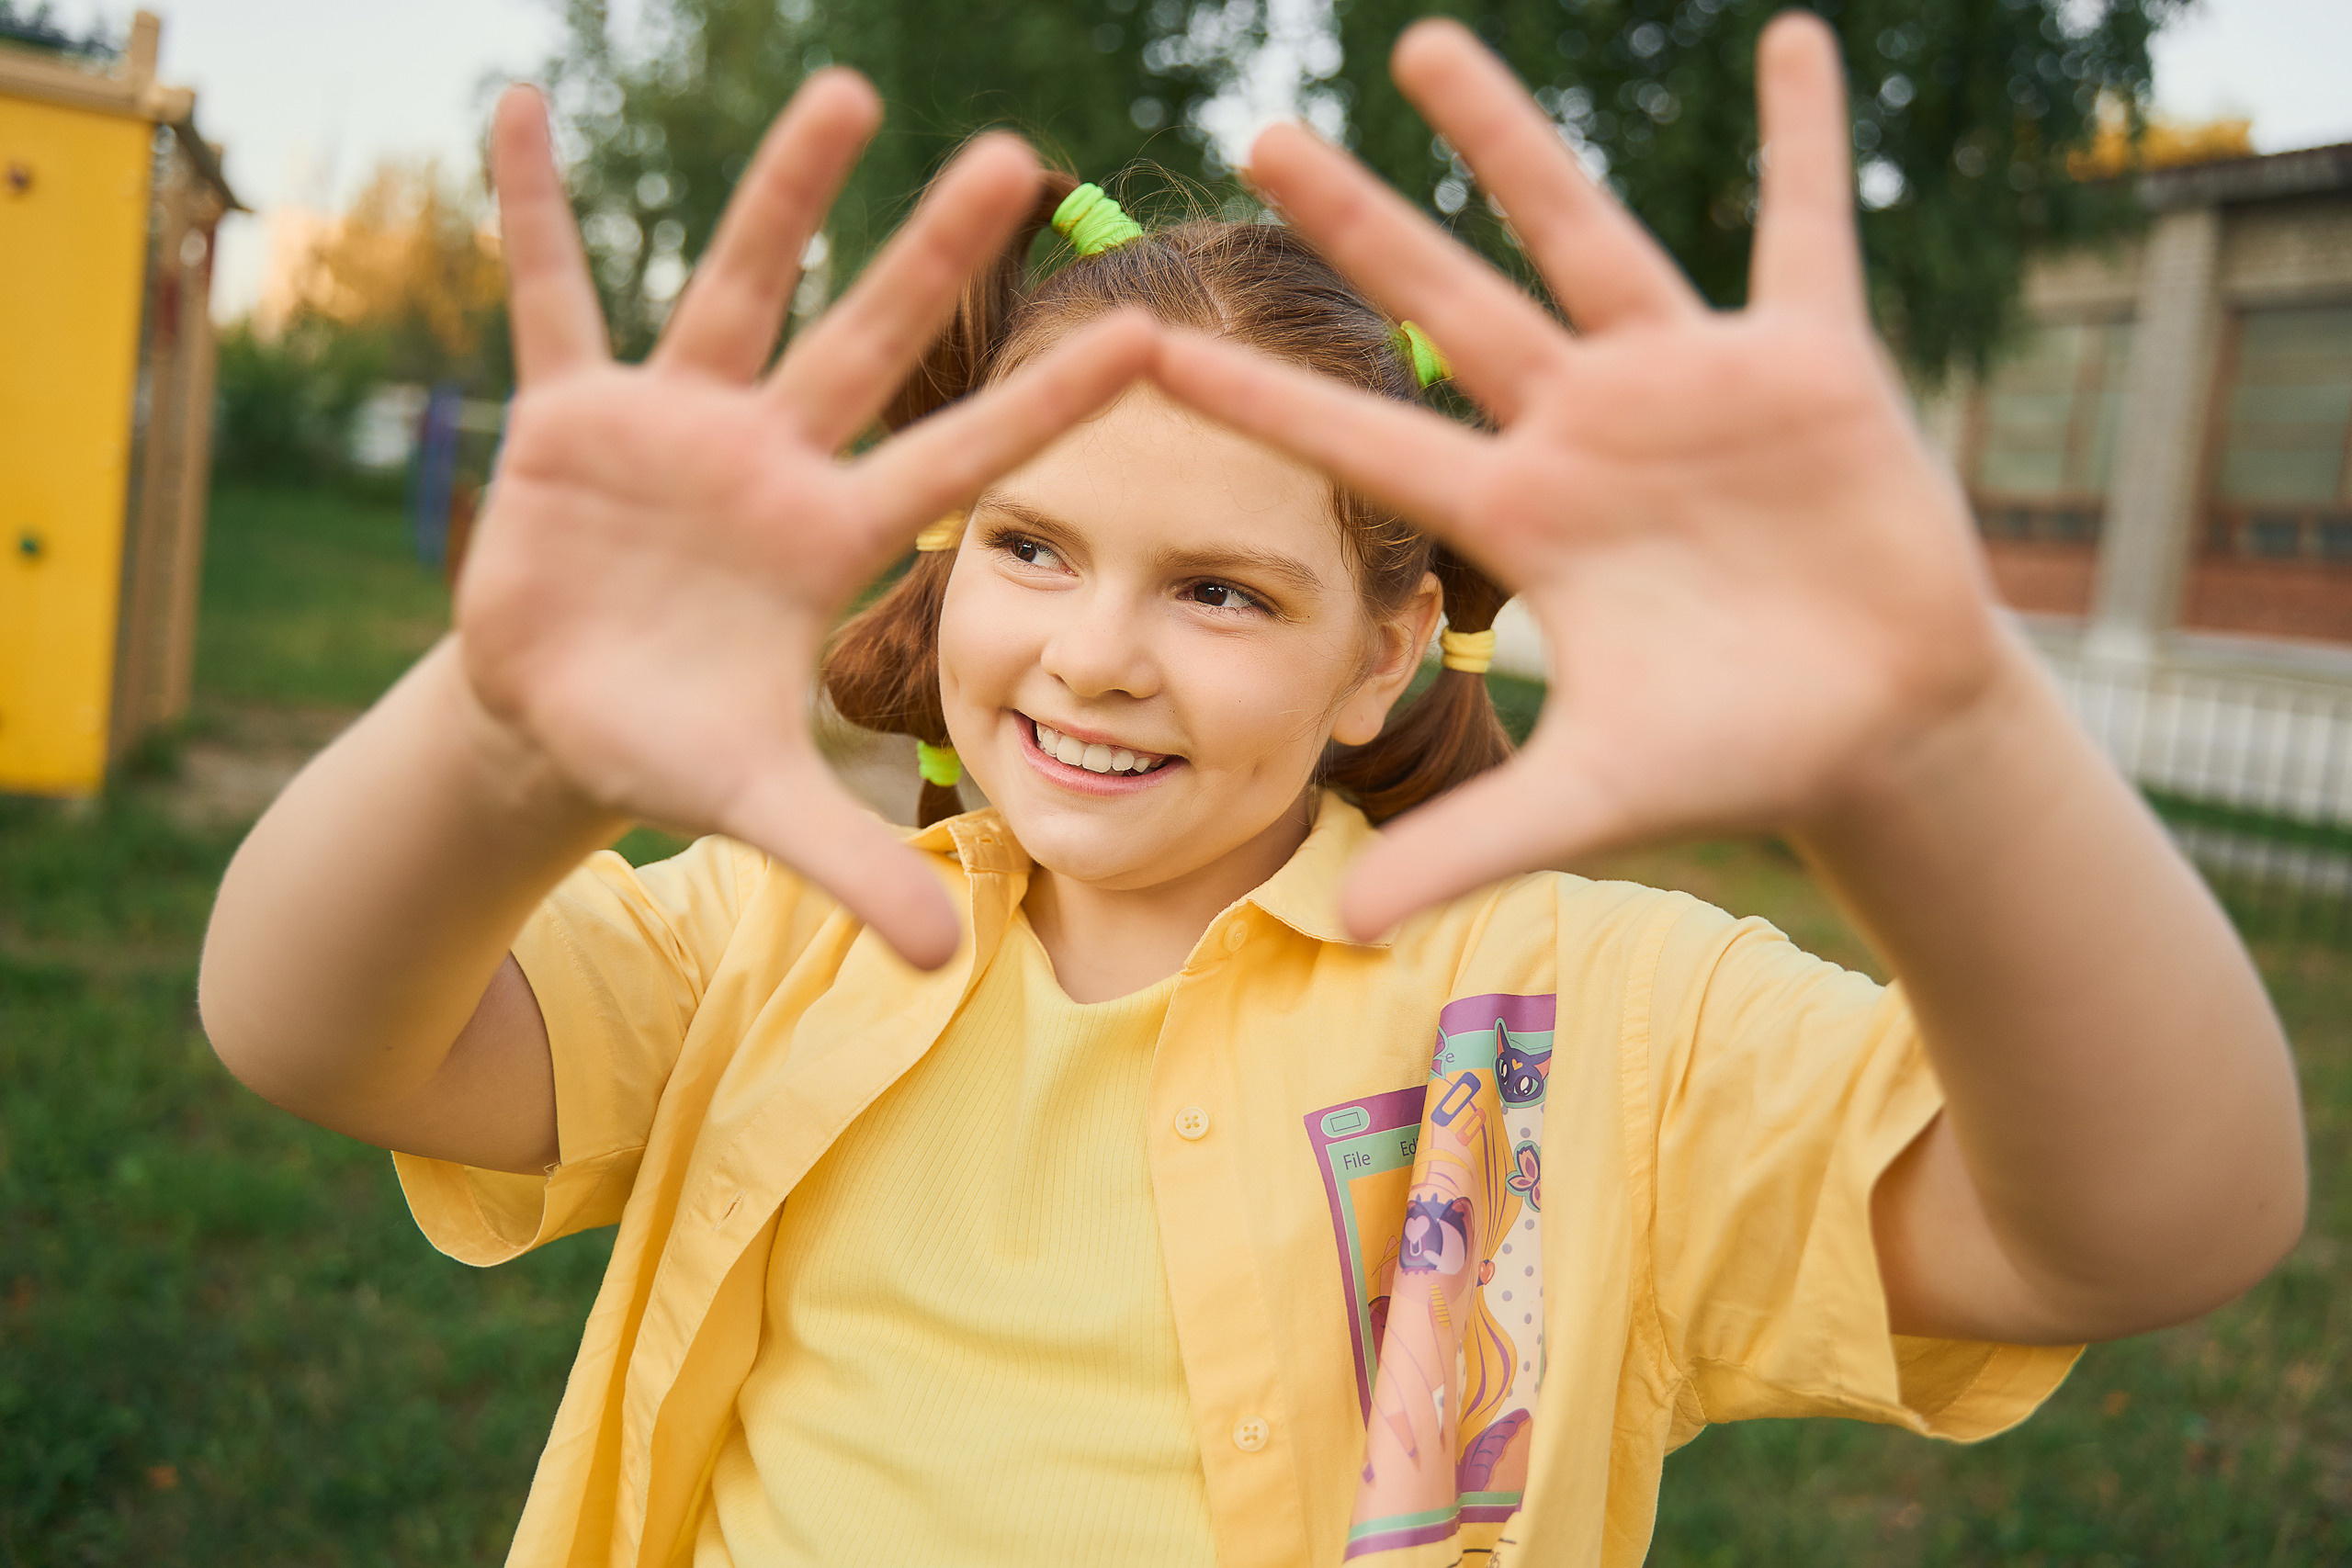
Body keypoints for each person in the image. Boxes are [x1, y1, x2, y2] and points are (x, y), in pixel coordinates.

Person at [198, 14, 2307, 1567]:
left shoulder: (1580, 1016)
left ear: (1384, 645)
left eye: (1218, 587)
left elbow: (2149, 1227)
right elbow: (306, 1026)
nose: (1096, 651)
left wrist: (1939, 746)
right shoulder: (772, 940)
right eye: (1031, 546)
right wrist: (503, 738)